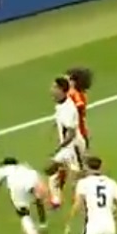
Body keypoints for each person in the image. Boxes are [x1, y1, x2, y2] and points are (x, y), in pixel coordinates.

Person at [44, 77, 81, 208]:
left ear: (61, 90)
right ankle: (57, 200)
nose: (51, 90)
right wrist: (53, 127)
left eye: (54, 87)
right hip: (67, 147)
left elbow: (71, 134)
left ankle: (82, 198)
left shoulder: (69, 109)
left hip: (71, 147)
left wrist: (59, 147)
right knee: (55, 173)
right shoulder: (60, 105)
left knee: (58, 171)